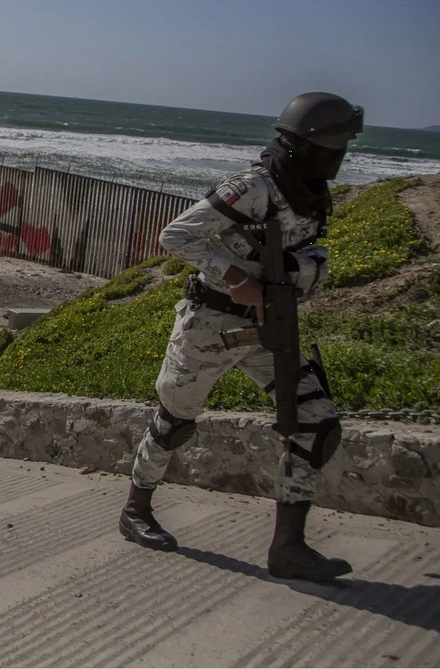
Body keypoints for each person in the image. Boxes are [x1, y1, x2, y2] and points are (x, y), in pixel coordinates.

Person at [118, 92, 364, 583]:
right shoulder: (253, 187)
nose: (341, 159)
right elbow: (176, 235)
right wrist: (235, 278)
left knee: (317, 424)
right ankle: (135, 510)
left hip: (270, 329)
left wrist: (304, 271)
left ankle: (288, 548)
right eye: (337, 148)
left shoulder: (309, 189)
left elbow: (303, 249)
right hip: (210, 325)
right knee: (174, 422)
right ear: (314, 147)